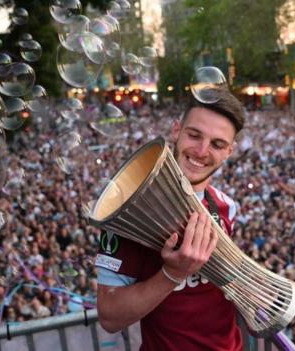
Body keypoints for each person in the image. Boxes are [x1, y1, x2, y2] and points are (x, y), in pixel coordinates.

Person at [94, 91, 246, 350]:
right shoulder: (127, 215)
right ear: (177, 130)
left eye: (217, 144)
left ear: (229, 152)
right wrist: (172, 273)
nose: (201, 151)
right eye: (194, 135)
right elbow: (109, 316)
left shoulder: (228, 207)